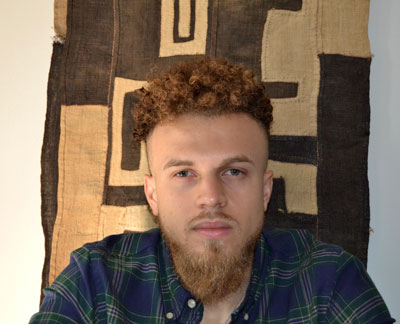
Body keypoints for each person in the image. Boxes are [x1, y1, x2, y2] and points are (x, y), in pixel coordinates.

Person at [30, 57, 395, 324]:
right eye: (184, 172)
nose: (211, 196)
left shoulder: (328, 282)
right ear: (152, 195)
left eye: (234, 171)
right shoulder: (95, 282)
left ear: (265, 191)